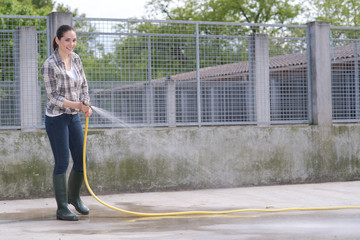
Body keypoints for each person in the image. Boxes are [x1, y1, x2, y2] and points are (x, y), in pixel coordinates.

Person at [41, 25, 92, 221]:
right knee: (62, 162)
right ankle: (62, 208)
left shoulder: (76, 58)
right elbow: (53, 97)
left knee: (81, 160)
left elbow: (84, 84)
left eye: (74, 40)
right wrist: (78, 104)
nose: (71, 44)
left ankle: (74, 197)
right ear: (57, 40)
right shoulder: (49, 65)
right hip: (56, 119)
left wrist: (85, 103)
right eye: (67, 40)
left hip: (74, 116)